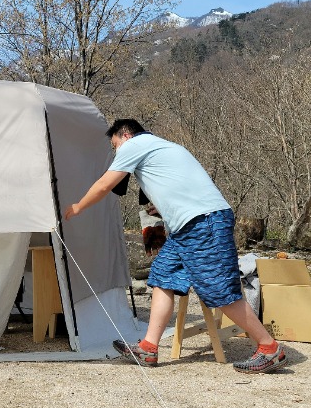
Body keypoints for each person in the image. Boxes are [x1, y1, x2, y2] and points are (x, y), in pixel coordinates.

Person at [63, 118, 287, 374]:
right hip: (187, 227)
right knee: (163, 276)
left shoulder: (135, 145)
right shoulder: (162, 148)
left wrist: (78, 207)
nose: (116, 152)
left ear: (125, 136)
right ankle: (148, 347)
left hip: (203, 222)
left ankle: (269, 348)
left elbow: (106, 184)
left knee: (218, 288)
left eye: (115, 146)